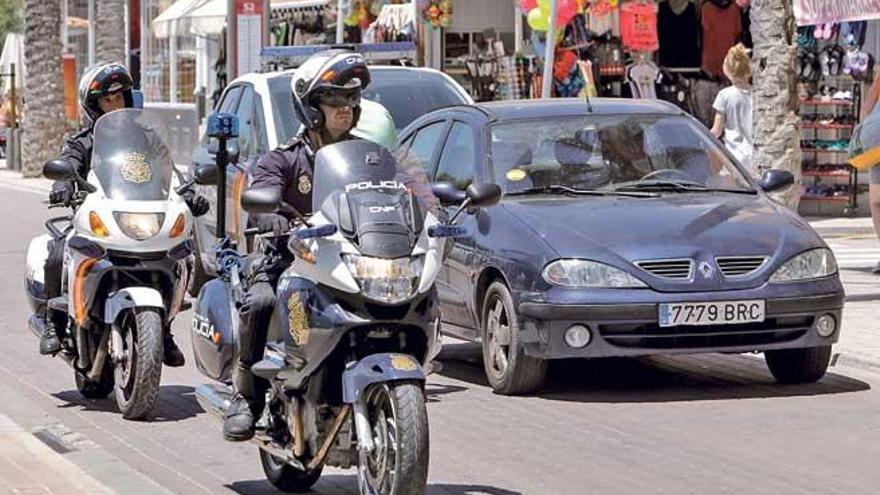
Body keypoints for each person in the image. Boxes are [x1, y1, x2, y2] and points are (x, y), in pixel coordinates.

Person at [223, 49, 372, 441]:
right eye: (335, 100)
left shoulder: (370, 157)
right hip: (291, 262)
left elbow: (404, 190)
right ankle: (247, 397)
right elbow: (260, 193)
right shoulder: (284, 159)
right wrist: (269, 215)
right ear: (311, 108)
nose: (345, 108)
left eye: (352, 100)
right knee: (263, 303)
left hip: (348, 263)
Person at [38, 63, 208, 365]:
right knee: (57, 250)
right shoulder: (82, 142)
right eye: (107, 100)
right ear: (94, 105)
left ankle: (163, 329)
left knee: (181, 254)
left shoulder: (146, 138)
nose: (115, 104)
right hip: (99, 217)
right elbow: (69, 163)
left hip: (140, 214)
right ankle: (54, 322)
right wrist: (65, 183)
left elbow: (170, 170)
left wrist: (189, 193)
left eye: (120, 98)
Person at [710, 43, 755, 177]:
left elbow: (716, 131)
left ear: (727, 71)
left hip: (734, 159)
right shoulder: (757, 94)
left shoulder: (724, 95)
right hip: (755, 157)